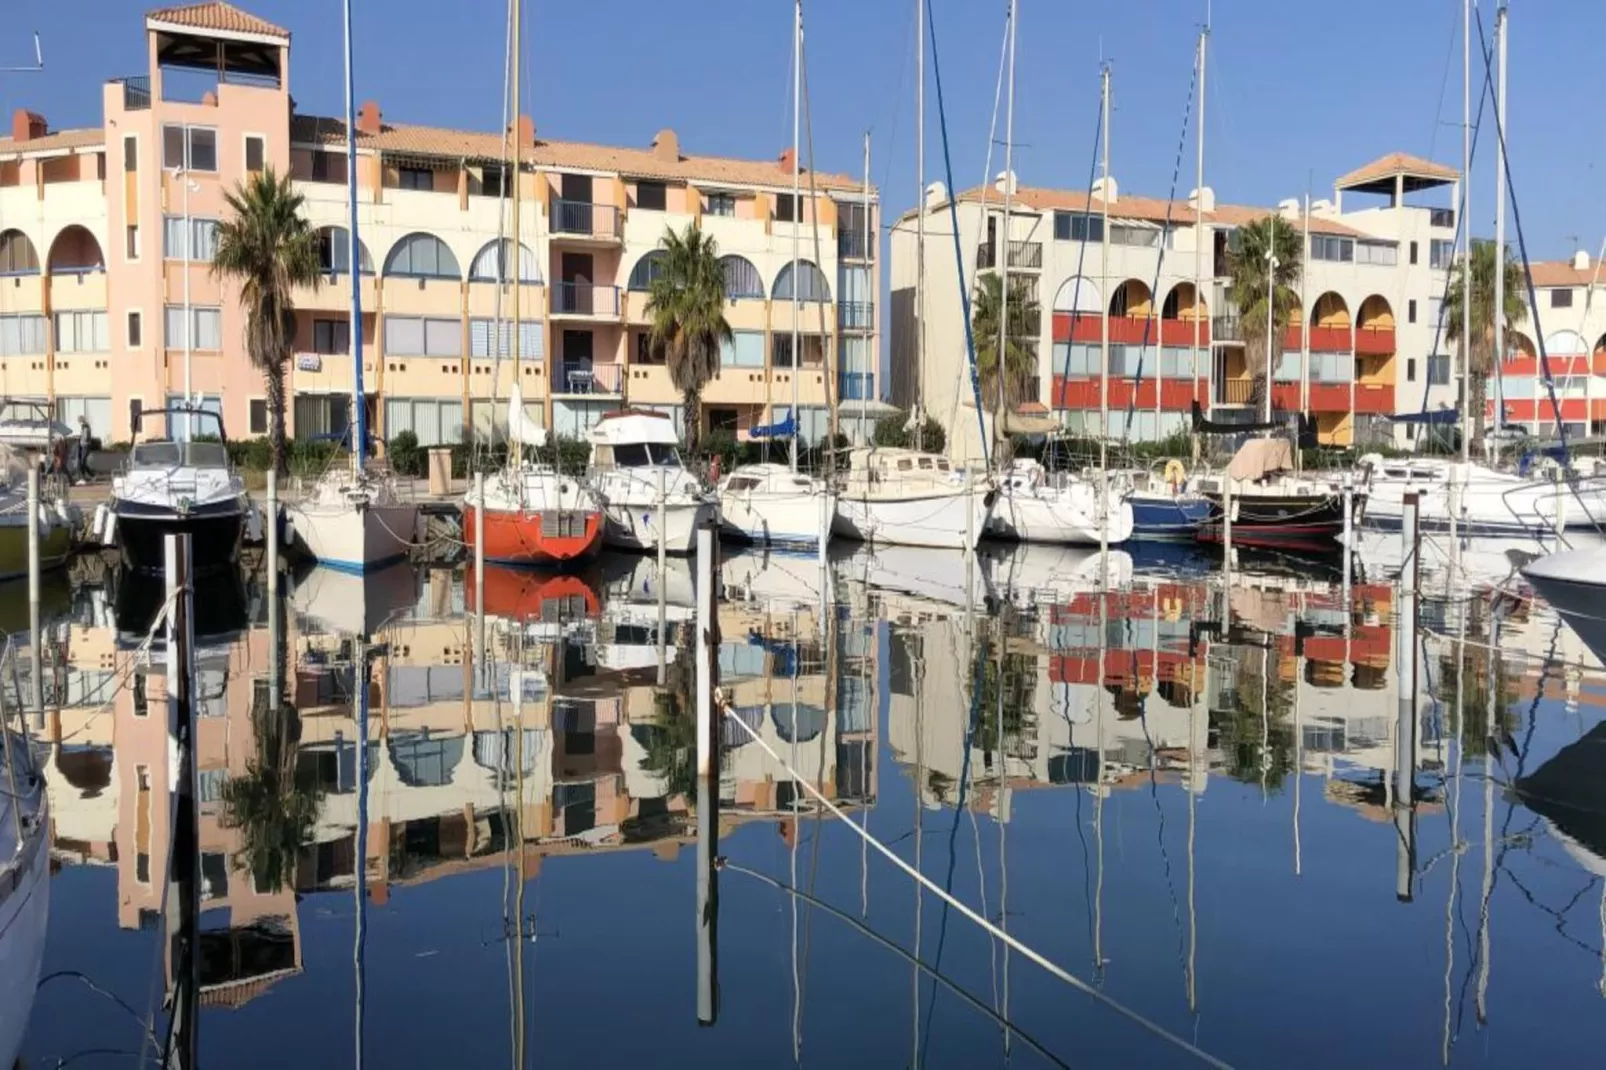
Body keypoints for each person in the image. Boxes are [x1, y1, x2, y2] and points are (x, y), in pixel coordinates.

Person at [75, 415, 93, 484]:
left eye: (79, 421)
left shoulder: (85, 427)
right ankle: (87, 476)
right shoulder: (84, 427)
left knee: (82, 462)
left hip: (85, 446)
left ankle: (88, 476)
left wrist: (80, 437)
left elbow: (86, 437)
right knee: (82, 462)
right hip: (83, 445)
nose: (79, 423)